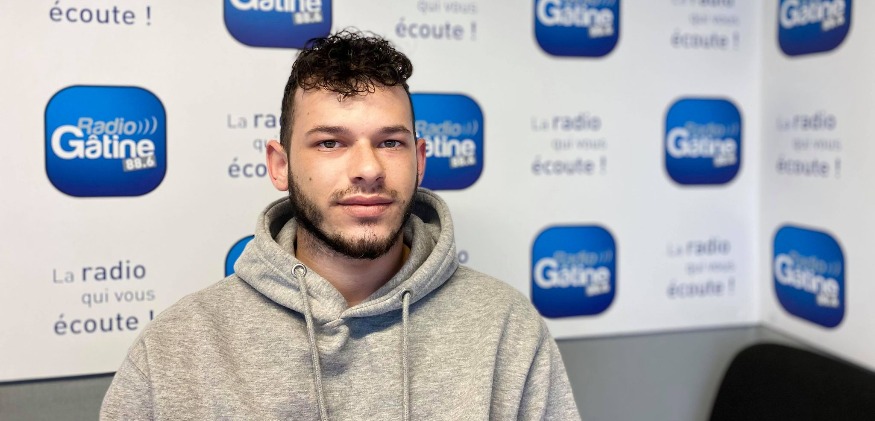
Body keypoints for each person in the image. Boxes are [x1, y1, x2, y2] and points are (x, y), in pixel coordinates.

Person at [101, 31, 580, 420]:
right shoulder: (176, 350)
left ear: (419, 161)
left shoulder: (506, 330)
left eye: (390, 143)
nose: (368, 168)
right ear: (280, 165)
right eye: (331, 143)